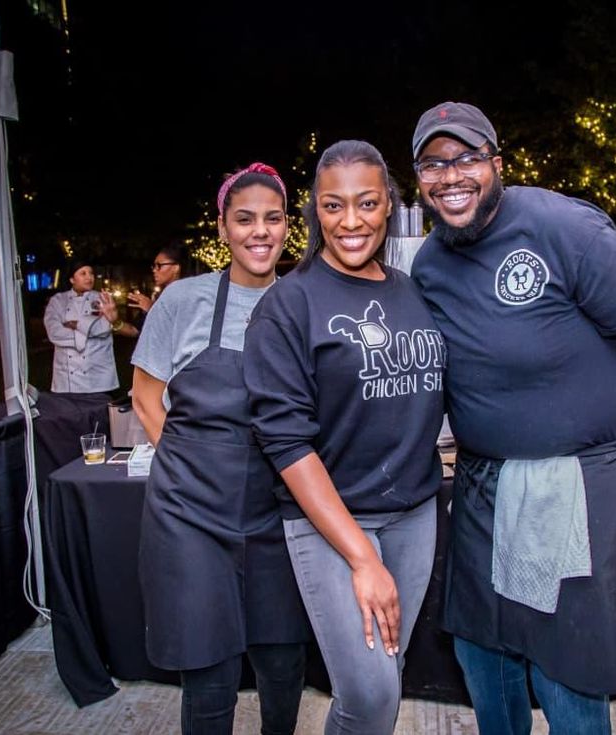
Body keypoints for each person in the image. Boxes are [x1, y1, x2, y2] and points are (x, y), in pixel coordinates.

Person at [408, 102, 616, 734]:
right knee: (482, 650)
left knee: (566, 668)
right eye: (433, 163)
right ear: (419, 179)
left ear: (497, 163)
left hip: (579, 482)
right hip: (484, 482)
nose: (451, 176)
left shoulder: (563, 227)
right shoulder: (428, 264)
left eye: (467, 158)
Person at [243, 140, 446, 735]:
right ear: (315, 211)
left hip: (414, 514)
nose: (351, 221)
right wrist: (362, 557)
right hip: (332, 520)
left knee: (387, 675)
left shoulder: (410, 292)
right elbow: (286, 443)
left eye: (366, 203)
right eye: (333, 206)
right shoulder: (290, 305)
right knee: (369, 693)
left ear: (389, 206)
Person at [130, 163, 311, 735]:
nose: (260, 231)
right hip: (191, 514)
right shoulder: (183, 299)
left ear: (288, 227)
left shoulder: (305, 303)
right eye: (244, 219)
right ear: (223, 227)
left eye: (273, 218)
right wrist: (187, 466)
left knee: (283, 663)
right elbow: (144, 397)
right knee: (210, 673)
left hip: (278, 510)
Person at [43, 257, 122, 393]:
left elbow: (104, 328)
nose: (89, 277)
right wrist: (88, 330)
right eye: (83, 273)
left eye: (91, 273)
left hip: (99, 376)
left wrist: (75, 324)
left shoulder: (102, 298)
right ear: (72, 279)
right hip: (67, 379)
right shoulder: (58, 301)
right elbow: (54, 332)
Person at [126, 243, 186, 334]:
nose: (154, 270)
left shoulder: (187, 295)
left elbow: (181, 331)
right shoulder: (158, 296)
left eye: (159, 266)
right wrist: (114, 321)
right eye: (154, 266)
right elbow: (135, 330)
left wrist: (152, 310)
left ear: (176, 268)